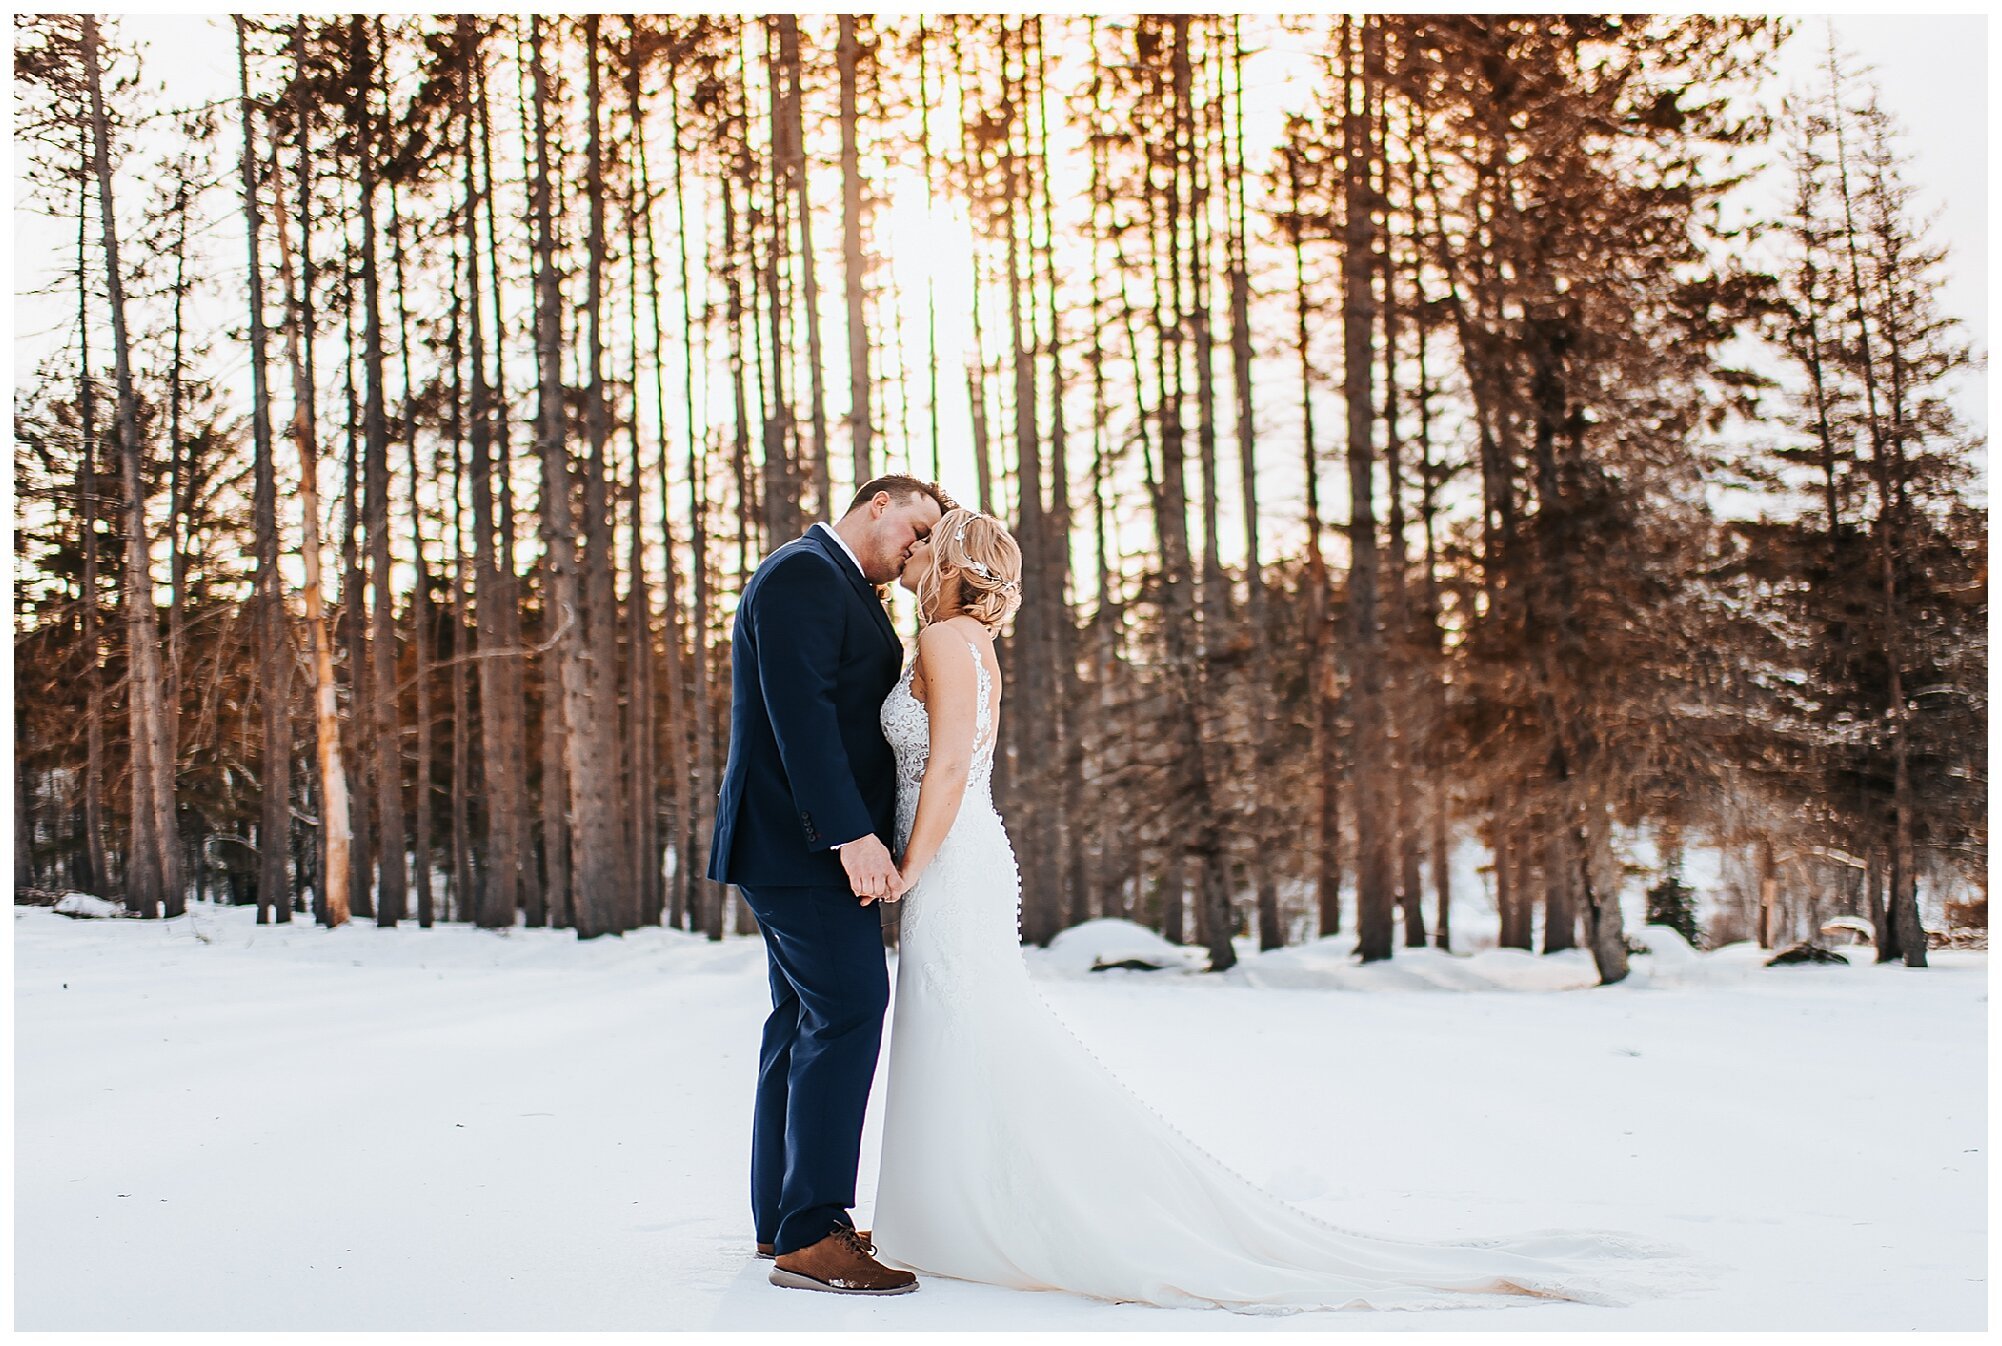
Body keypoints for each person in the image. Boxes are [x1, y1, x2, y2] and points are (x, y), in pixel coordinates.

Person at [868, 507, 1678, 1313]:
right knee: (963, 1028)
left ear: (953, 563)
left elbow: (944, 774)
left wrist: (909, 866)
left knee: (962, 1024)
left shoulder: (945, 642)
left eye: (930, 543)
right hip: (965, 850)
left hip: (950, 851)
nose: (917, 550)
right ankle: (961, 1208)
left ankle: (980, 1213)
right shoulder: (975, 645)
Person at [708, 475, 949, 1297]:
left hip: (792, 845)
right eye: (916, 528)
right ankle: (814, 1230)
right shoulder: (804, 573)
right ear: (879, 503)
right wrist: (851, 836)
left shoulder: (839, 581)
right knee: (848, 1010)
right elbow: (799, 717)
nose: (917, 550)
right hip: (800, 845)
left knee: (803, 1019)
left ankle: (787, 1221)